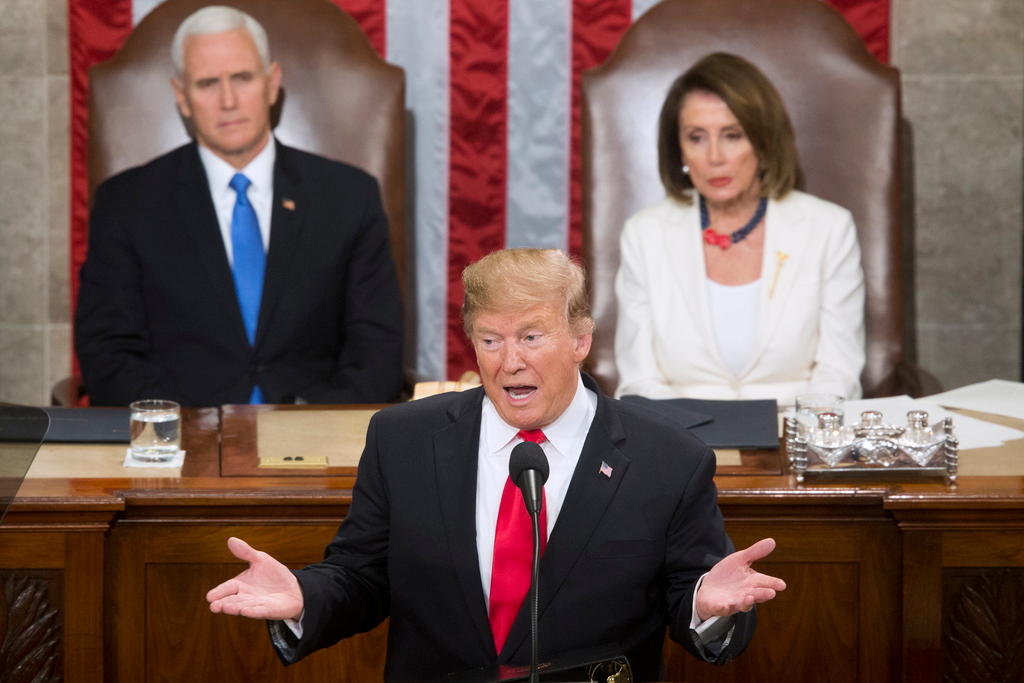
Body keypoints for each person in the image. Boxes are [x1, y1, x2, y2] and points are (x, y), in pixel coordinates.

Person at [206, 248, 785, 682]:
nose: (510, 362)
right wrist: (305, 599)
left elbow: (695, 601)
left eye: (532, 336)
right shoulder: (403, 438)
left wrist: (706, 607)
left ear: (581, 339)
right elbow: (361, 576)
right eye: (491, 340)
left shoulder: (667, 460)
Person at [74, 5, 403, 407]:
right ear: (182, 97)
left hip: (316, 446)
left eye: (242, 78)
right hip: (180, 445)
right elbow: (107, 352)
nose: (227, 100)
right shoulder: (128, 204)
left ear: (271, 82)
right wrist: (186, 430)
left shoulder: (349, 197)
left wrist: (314, 429)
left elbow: (376, 349)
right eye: (208, 83)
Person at [614, 52, 865, 405]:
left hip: (792, 438)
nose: (715, 157)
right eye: (697, 137)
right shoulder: (644, 234)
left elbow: (838, 374)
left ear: (763, 142)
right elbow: (639, 381)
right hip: (685, 444)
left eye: (732, 135)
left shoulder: (828, 229)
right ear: (679, 150)